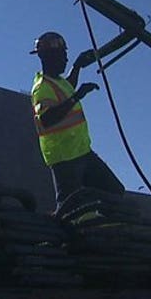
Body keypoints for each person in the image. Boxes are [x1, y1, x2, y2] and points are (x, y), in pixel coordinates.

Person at [29, 31, 125, 213]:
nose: (66, 59)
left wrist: (78, 66)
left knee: (114, 191)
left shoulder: (58, 82)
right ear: (49, 57)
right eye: (63, 55)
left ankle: (101, 229)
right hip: (65, 157)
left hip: (82, 152)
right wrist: (77, 97)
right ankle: (59, 238)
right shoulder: (42, 88)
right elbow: (46, 119)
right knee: (68, 207)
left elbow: (69, 85)